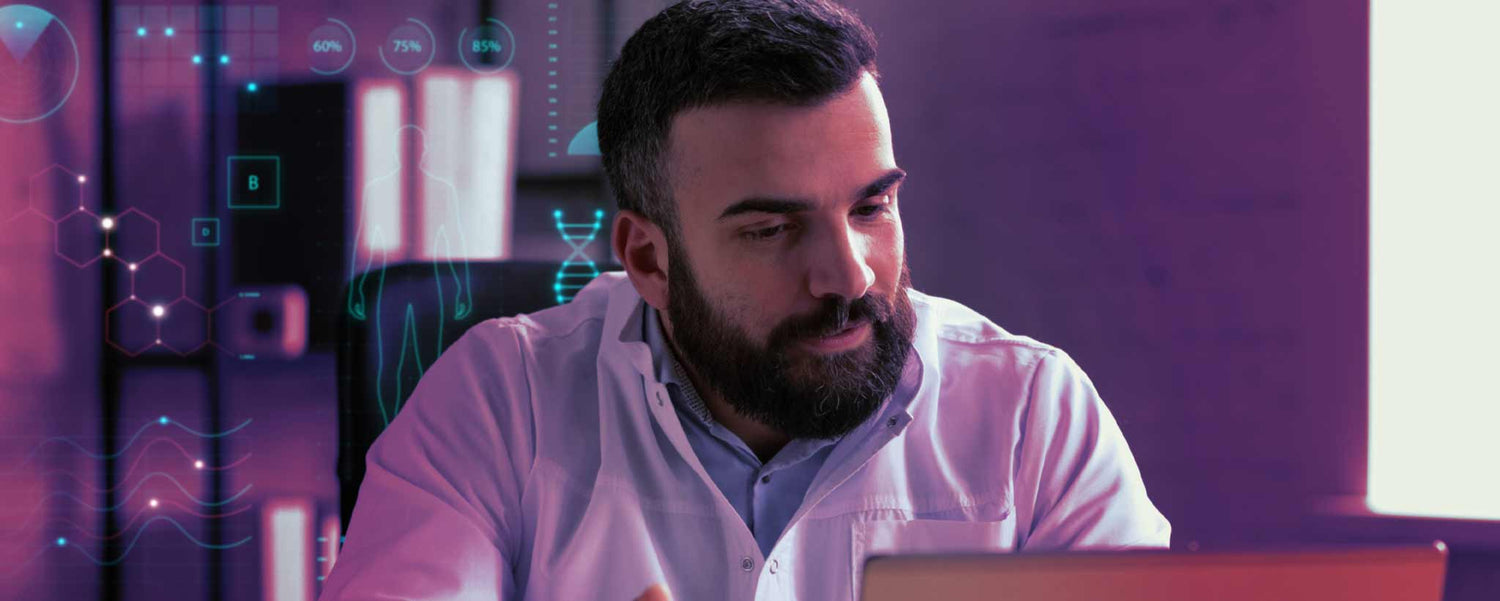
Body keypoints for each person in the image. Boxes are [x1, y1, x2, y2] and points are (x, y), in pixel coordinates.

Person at [319, 1, 1170, 599]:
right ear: (647, 259)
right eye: (771, 230)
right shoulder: (500, 399)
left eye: (872, 207)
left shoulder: (1032, 411)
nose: (850, 276)